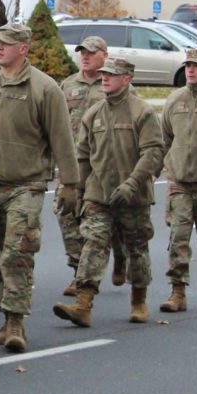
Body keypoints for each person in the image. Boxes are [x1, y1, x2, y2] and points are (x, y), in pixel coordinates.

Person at [0, 23, 79, 352]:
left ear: (24, 49)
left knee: (17, 253)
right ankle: (5, 315)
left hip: (25, 184)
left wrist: (70, 183)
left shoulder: (44, 88)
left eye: (7, 44)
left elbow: (61, 139)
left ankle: (16, 323)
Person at [52, 58, 163, 327]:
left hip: (133, 196)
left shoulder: (142, 112)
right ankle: (83, 304)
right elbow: (83, 156)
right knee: (93, 243)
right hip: (99, 196)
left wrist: (132, 183)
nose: (104, 78)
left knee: (137, 249)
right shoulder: (94, 114)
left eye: (111, 75)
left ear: (126, 79)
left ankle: (139, 300)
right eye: (103, 74)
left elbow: (154, 151)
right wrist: (77, 191)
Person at [58, 36, 127, 295]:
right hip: (73, 163)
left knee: (112, 219)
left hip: (105, 166)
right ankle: (79, 272)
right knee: (66, 214)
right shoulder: (67, 85)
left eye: (91, 52)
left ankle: (120, 254)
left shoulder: (112, 84)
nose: (85, 57)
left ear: (104, 55)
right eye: (82, 53)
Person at [157, 48, 197, 313]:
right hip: (180, 182)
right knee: (178, 238)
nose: (191, 70)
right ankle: (177, 292)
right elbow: (163, 140)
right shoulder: (175, 100)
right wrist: (150, 170)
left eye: (196, 66)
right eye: (188, 66)